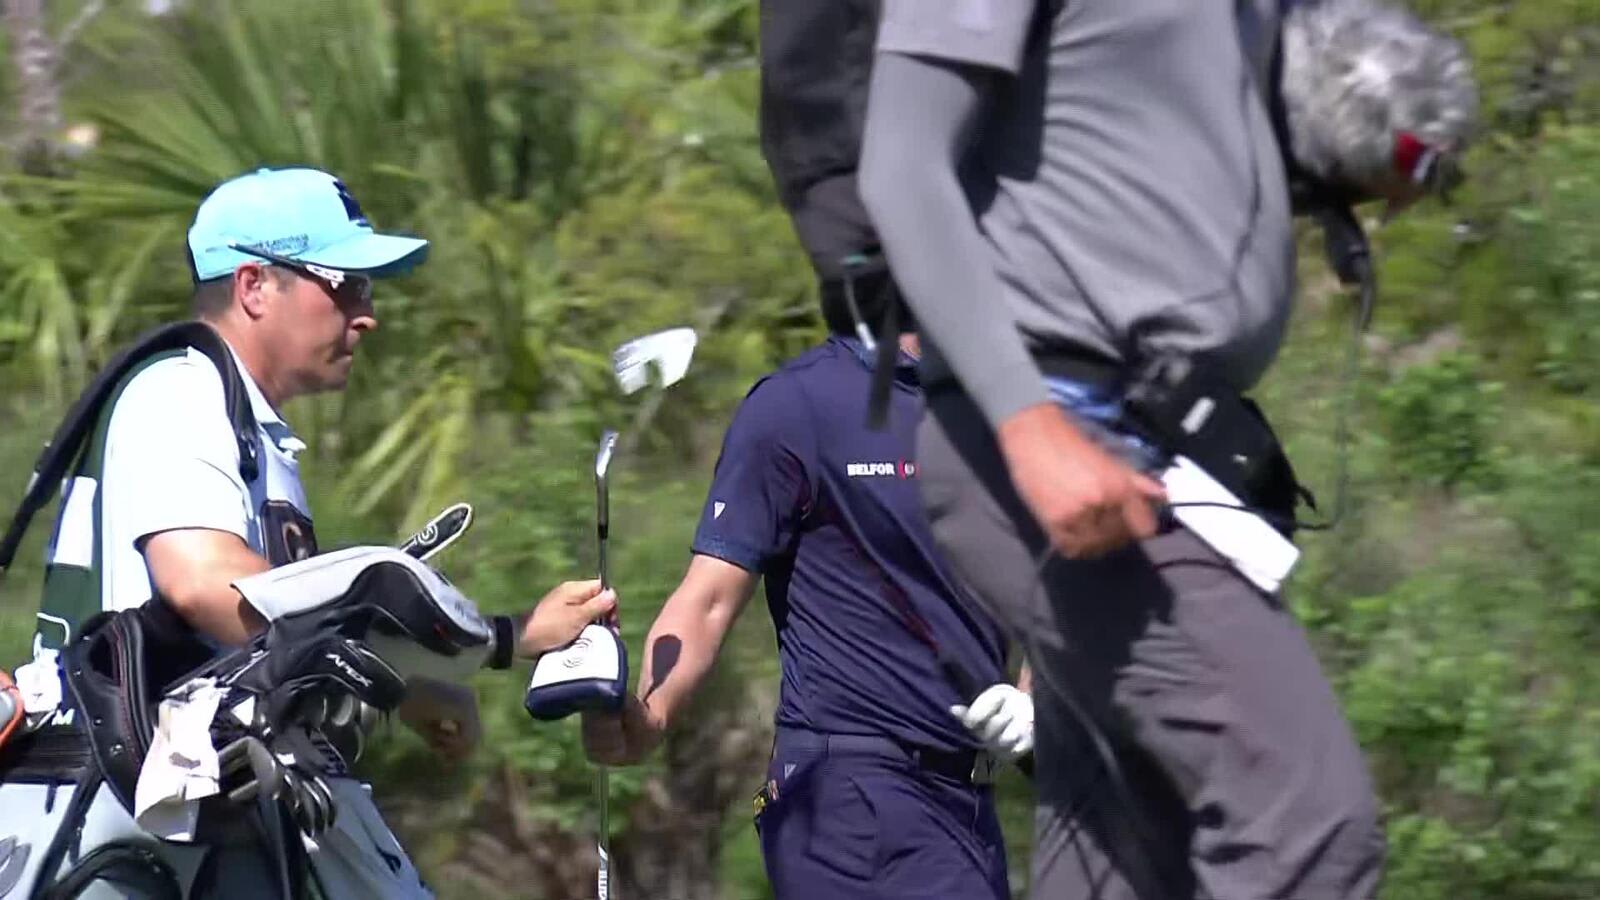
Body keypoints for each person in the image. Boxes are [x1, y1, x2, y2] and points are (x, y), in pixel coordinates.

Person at [857, 1, 1475, 898]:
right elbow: (902, 163)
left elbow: (1332, 76)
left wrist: (1396, 144)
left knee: (1129, 849)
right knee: (1303, 824)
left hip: (1157, 457)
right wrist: (1030, 425)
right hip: (1054, 431)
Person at [0, 166, 618, 898]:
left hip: (170, 812)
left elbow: (267, 641)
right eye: (345, 285)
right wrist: (502, 638)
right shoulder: (181, 390)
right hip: (115, 814)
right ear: (254, 286)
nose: (367, 314)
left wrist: (404, 686)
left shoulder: (238, 418)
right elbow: (207, 586)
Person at [580, 330, 1033, 899]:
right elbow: (709, 597)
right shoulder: (800, 402)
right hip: (851, 793)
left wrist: (1035, 705)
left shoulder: (1012, 408)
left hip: (967, 801)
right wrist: (650, 715)